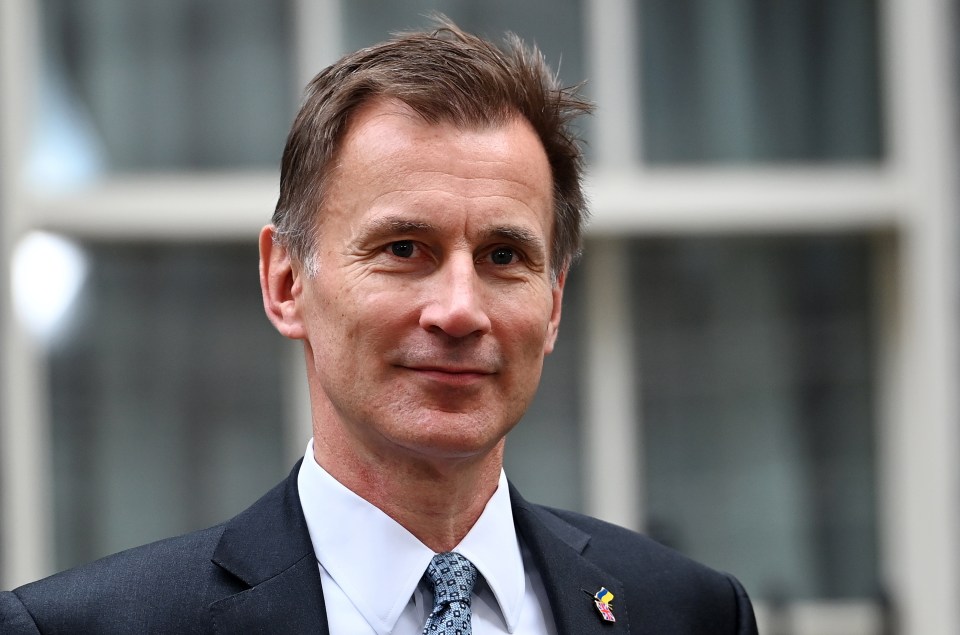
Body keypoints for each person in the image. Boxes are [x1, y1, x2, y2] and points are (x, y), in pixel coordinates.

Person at [1, 19, 758, 634]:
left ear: (554, 303)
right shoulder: (84, 626)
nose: (459, 309)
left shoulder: (689, 613)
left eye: (503, 254)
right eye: (404, 248)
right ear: (286, 281)